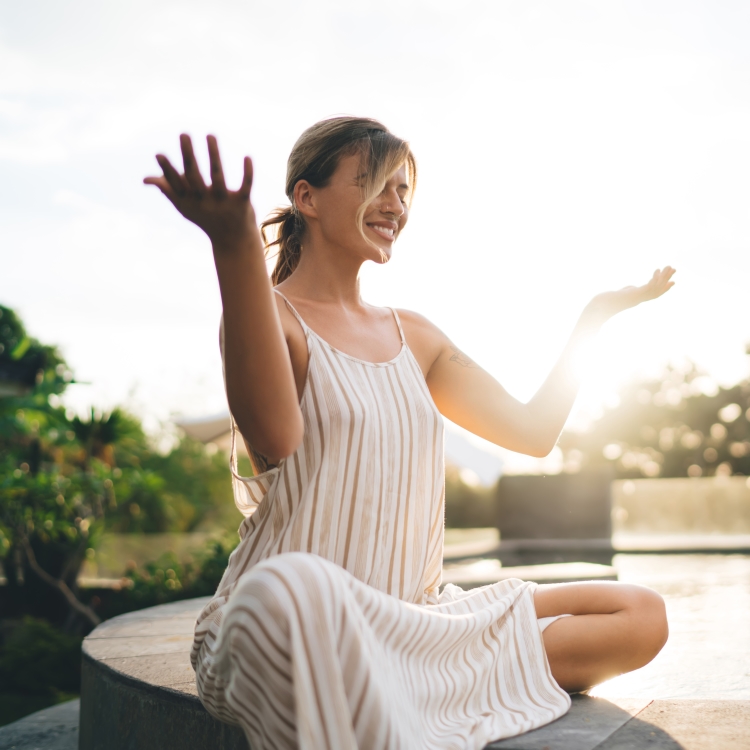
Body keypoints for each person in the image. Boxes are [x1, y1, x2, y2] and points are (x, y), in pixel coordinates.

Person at [145, 117, 673, 750]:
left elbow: (534, 433)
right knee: (296, 585)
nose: (395, 202)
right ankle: (405, 692)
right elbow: (278, 439)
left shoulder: (414, 336)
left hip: (419, 625)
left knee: (639, 613)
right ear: (306, 198)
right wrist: (232, 247)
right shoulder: (272, 318)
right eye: (376, 181)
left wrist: (593, 319)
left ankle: (406, 687)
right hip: (287, 620)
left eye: (403, 188)